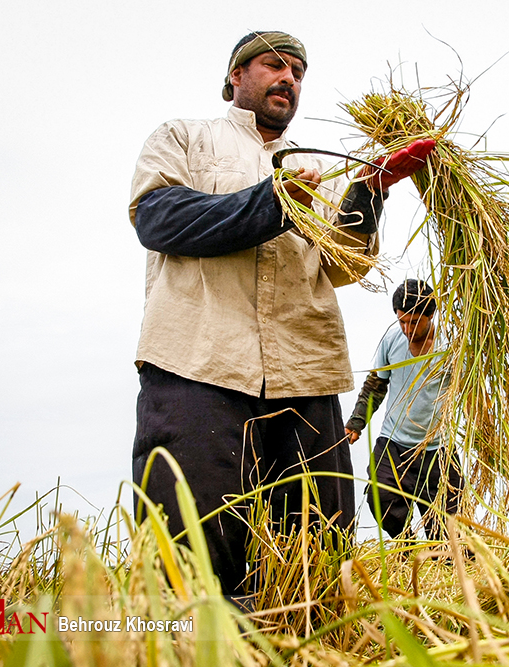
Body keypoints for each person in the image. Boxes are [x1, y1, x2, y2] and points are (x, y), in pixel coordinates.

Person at [128, 30, 434, 595]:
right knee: (193, 551)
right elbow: (160, 219)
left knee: (316, 554)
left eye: (298, 71)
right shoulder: (184, 139)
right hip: (200, 365)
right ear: (236, 76)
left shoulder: (321, 170)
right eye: (274, 65)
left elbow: (344, 266)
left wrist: (370, 191)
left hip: (305, 374)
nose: (288, 78)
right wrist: (274, 201)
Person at [344, 280, 464, 540]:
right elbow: (376, 385)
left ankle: (443, 554)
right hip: (394, 443)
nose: (407, 329)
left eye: (414, 322)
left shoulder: (452, 345)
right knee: (380, 496)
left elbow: (469, 388)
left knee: (449, 535)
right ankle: (405, 545)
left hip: (437, 448)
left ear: (430, 315)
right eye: (402, 322)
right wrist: (355, 423)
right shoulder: (392, 339)